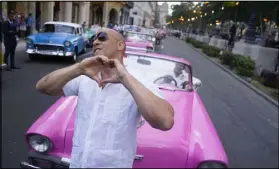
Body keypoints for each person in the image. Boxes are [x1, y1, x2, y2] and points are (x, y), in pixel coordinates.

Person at [35, 28, 174, 168]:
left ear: (120, 45)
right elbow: (43, 87)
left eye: (102, 37)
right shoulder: (85, 76)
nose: (95, 42)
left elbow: (165, 122)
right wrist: (79, 68)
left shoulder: (137, 80)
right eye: (94, 39)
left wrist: (124, 78)